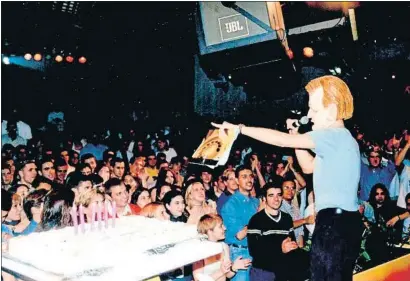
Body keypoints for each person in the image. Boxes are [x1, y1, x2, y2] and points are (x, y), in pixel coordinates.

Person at [213, 75, 363, 281]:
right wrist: (296, 136)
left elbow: (281, 141)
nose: (309, 115)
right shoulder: (344, 140)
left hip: (333, 223)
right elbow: (308, 167)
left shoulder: (332, 135)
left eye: (314, 109)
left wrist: (240, 129)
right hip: (347, 221)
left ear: (332, 111)